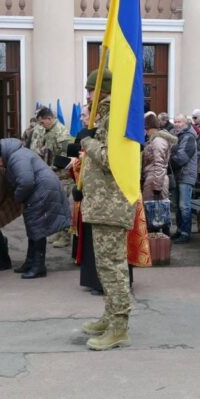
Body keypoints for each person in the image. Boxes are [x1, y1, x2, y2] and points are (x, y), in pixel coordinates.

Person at [79, 68, 136, 350]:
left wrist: (86, 139)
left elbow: (112, 159)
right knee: (105, 266)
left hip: (111, 204)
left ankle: (119, 327)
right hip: (103, 202)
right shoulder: (106, 113)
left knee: (113, 268)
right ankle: (109, 316)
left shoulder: (115, 115)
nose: (87, 95)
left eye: (91, 89)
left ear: (102, 89)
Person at [0, 139, 71, 279]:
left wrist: (17, 198)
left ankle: (38, 266)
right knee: (33, 227)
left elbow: (26, 182)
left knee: (38, 228)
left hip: (43, 191)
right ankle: (30, 262)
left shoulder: (17, 158)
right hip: (41, 190)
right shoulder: (15, 154)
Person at [33, 107, 74, 249]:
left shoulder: (61, 134)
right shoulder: (49, 131)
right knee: (55, 207)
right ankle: (58, 232)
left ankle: (66, 236)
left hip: (63, 177)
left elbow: (65, 159)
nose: (41, 125)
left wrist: (50, 168)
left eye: (42, 122)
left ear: (49, 119)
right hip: (54, 175)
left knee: (63, 208)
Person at [142, 112, 177, 234]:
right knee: (158, 212)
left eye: (146, 128)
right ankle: (158, 241)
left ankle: (158, 243)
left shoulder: (158, 140)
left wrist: (156, 186)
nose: (145, 132)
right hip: (156, 178)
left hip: (156, 179)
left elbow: (159, 164)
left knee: (155, 213)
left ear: (150, 128)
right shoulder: (157, 139)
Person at [170, 113, 198, 243]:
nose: (176, 124)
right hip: (178, 175)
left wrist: (168, 162)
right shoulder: (176, 135)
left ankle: (186, 233)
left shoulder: (188, 137)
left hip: (186, 175)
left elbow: (182, 158)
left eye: (179, 122)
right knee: (177, 206)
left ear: (186, 123)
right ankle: (180, 230)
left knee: (184, 206)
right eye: (175, 121)